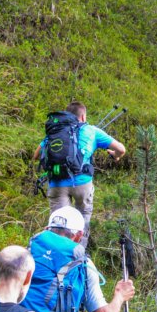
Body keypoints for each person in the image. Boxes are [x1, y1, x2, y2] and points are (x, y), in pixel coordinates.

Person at [32, 101, 126, 237]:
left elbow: (36, 156)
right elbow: (121, 149)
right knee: (83, 217)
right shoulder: (92, 131)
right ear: (83, 116)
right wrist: (115, 155)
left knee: (59, 224)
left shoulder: (55, 132)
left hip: (57, 182)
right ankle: (79, 247)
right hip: (82, 182)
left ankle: (59, 247)